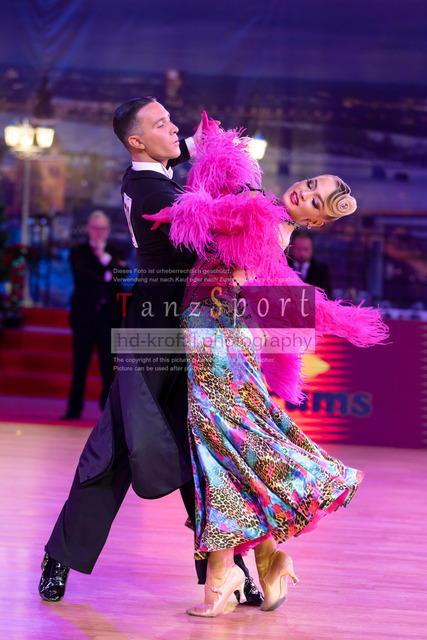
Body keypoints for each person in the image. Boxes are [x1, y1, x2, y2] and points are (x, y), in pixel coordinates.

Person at [144, 121, 388, 617]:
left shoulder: (263, 215)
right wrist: (215, 154)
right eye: (311, 184)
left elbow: (207, 214)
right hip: (216, 327)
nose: (305, 193)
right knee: (226, 442)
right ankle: (261, 561)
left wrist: (186, 197)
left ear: (315, 223)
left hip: (214, 327)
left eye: (315, 201)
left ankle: (230, 570)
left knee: (220, 442)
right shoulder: (268, 212)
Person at [38, 98, 261, 606]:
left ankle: (226, 569)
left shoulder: (153, 175)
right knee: (115, 446)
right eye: (161, 124)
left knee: (203, 450)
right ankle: (61, 555)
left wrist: (202, 145)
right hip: (155, 333)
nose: (174, 128)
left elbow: (181, 152)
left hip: (194, 329)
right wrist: (268, 210)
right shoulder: (150, 191)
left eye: (171, 120)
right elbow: (216, 223)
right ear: (137, 141)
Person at [61, 210, 128, 420]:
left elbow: (122, 274)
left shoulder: (116, 250)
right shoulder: (78, 252)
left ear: (108, 229)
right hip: (84, 317)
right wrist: (107, 271)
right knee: (80, 365)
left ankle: (108, 412)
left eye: (102, 228)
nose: (99, 232)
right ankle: (74, 409)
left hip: (109, 318)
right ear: (88, 229)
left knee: (109, 368)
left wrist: (104, 259)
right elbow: (82, 275)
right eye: (95, 228)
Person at [288, 230, 332, 298]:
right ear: (292, 249)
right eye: (298, 249)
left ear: (312, 249)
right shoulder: (284, 265)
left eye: (306, 249)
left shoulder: (321, 269)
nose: (302, 253)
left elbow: (326, 294)